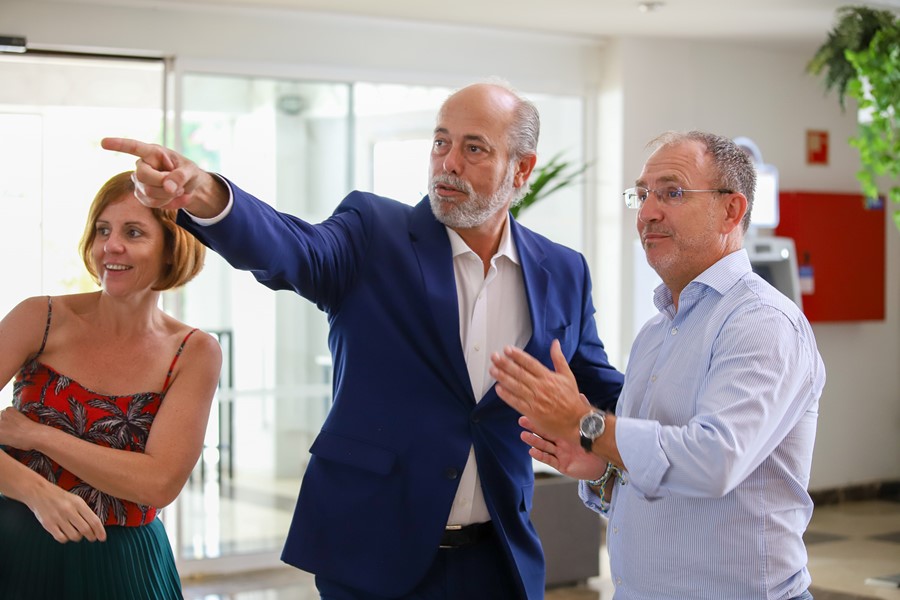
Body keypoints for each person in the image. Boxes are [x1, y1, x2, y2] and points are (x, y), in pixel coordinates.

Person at [101, 81, 624, 599]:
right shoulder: (374, 232)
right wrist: (206, 194)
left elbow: (599, 386)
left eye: (474, 149)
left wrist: (671, 432)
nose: (448, 163)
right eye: (441, 142)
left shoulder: (563, 271)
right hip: (373, 558)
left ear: (522, 169)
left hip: (499, 562)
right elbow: (291, 248)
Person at [490, 130, 825, 599]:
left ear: (732, 210)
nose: (647, 212)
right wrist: (602, 471)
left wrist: (586, 423)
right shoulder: (656, 331)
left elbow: (713, 461)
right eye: (642, 194)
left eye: (672, 193)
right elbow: (663, 487)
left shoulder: (761, 322)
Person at [0, 171, 223, 600]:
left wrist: (36, 435)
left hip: (124, 567)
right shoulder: (39, 318)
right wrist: (34, 491)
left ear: (171, 249)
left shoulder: (194, 351)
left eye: (133, 232)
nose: (110, 246)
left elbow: (159, 483)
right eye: (103, 230)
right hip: (14, 549)